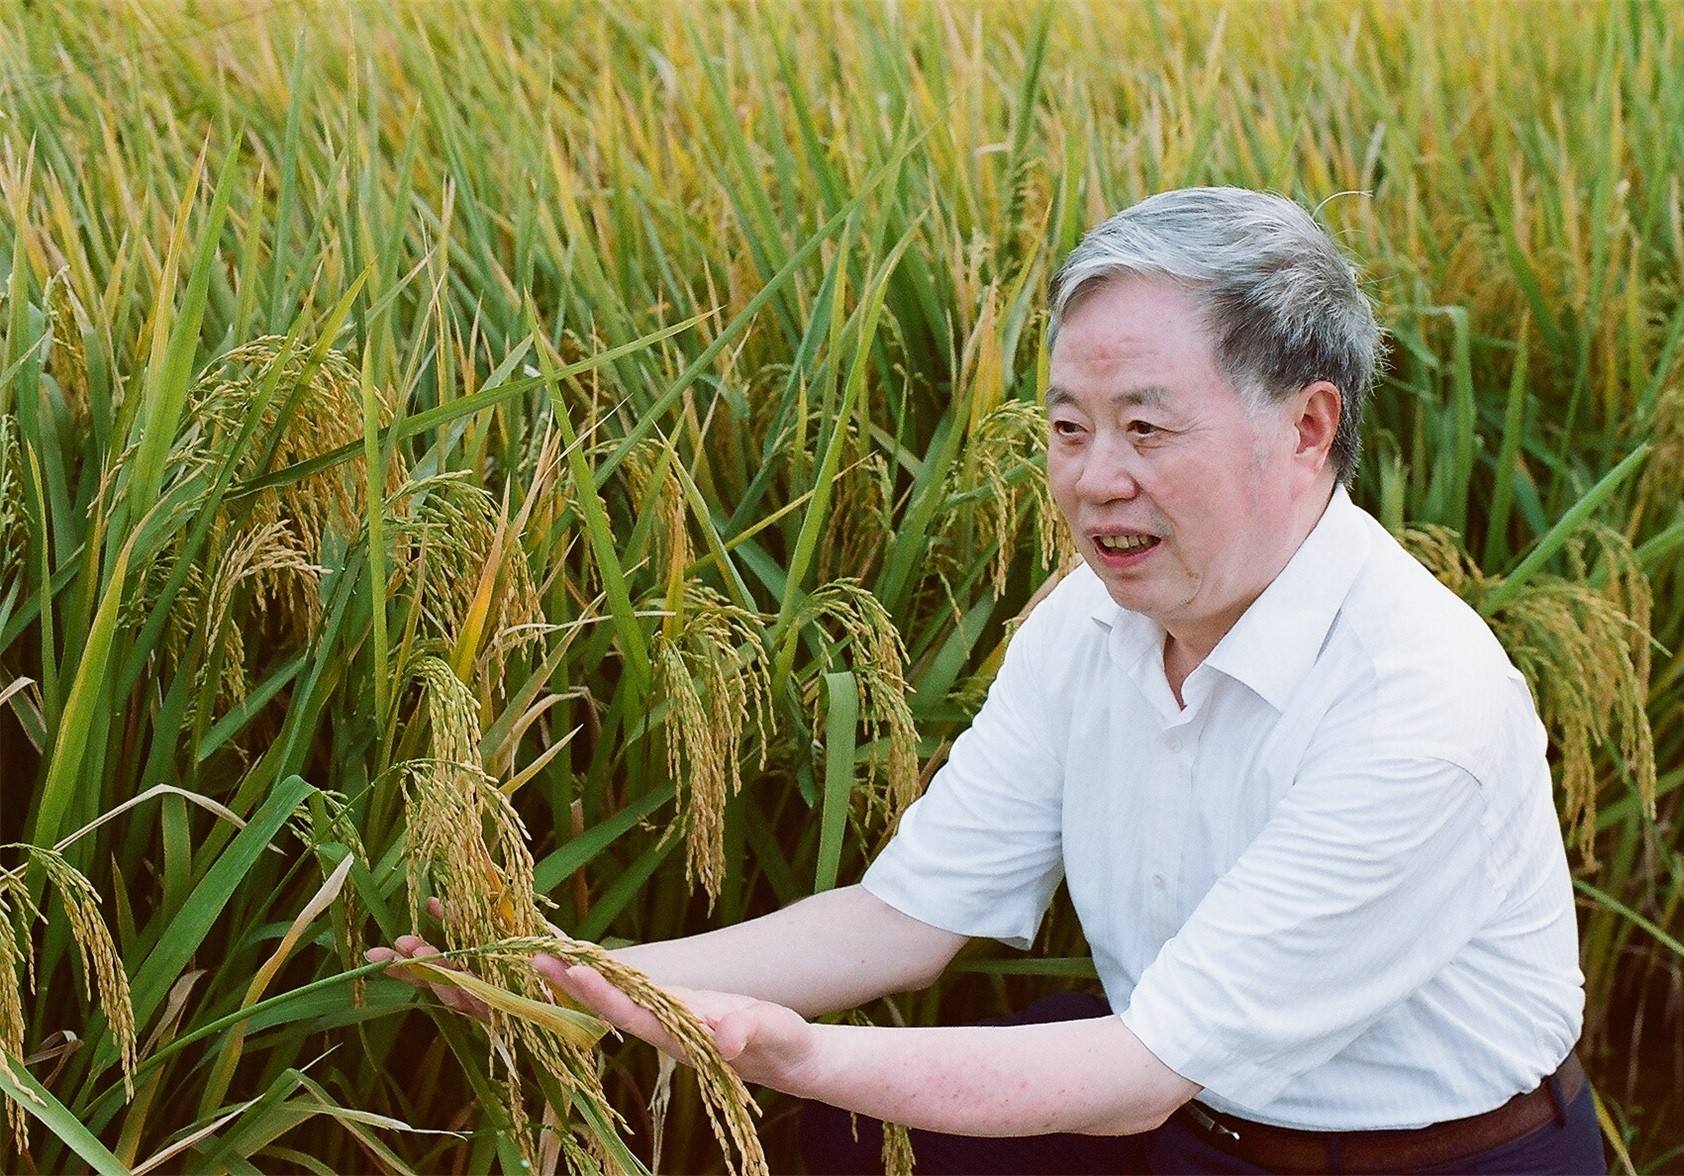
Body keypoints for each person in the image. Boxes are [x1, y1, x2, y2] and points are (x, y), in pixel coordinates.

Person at [371, 186, 1607, 1174]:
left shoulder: (1416, 701)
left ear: (1308, 427)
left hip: (1415, 1155)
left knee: (856, 1105)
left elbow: (1135, 1075)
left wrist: (795, 1055)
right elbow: (908, 920)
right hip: (1184, 1117)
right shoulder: (1090, 623)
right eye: (1068, 429)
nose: (1095, 479)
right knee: (859, 1144)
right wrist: (585, 974)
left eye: (1146, 427)